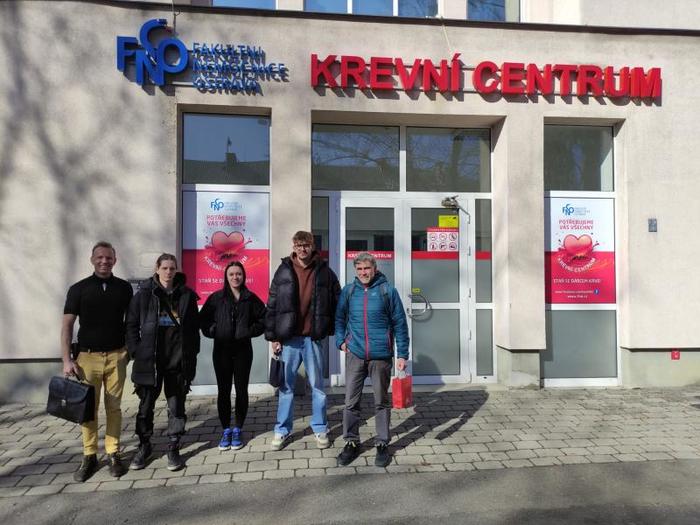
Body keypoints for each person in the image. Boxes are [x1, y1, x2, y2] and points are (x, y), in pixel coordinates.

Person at [61, 241, 133, 482]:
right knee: (88, 409)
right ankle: (89, 455)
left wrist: (128, 350)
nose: (104, 261)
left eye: (109, 258)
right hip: (87, 359)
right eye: (100, 257)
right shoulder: (78, 289)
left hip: (116, 356)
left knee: (114, 407)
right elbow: (67, 326)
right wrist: (66, 360)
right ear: (92, 259)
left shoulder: (124, 288)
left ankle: (113, 453)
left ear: (115, 260)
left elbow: (131, 322)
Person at [265, 231, 340, 451]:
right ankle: (282, 430)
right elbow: (272, 303)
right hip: (289, 338)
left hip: (312, 338)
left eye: (306, 245)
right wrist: (274, 336)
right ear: (294, 247)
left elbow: (337, 301)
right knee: (286, 387)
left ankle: (320, 427)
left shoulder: (324, 271)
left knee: (317, 386)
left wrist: (332, 328)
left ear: (312, 246)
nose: (302, 249)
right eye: (298, 245)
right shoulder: (283, 270)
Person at [334, 251, 409, 468]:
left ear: (374, 269)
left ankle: (382, 443)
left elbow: (400, 324)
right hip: (355, 354)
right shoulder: (349, 291)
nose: (363, 272)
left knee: (381, 402)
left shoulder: (388, 291)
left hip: (381, 356)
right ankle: (351, 442)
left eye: (367, 268)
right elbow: (339, 319)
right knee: (351, 402)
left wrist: (402, 354)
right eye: (359, 269)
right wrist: (341, 341)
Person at [126, 253, 200, 472]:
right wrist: (136, 351)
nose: (169, 272)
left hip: (177, 362)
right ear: (157, 269)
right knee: (145, 407)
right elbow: (131, 325)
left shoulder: (186, 295)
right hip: (150, 362)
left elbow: (193, 330)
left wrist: (192, 355)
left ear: (176, 270)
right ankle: (144, 446)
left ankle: (173, 446)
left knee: (176, 407)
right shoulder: (144, 294)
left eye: (172, 268)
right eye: (165, 268)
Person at [200, 261, 266, 451]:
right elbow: (203, 320)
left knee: (241, 389)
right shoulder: (216, 298)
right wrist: (215, 330)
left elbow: (264, 319)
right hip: (221, 350)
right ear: (226, 277)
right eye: (231, 274)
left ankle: (238, 428)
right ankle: (225, 430)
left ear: (243, 276)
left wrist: (249, 331)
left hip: (243, 350)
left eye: (238, 274)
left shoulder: (250, 298)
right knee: (224, 390)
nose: (235, 277)